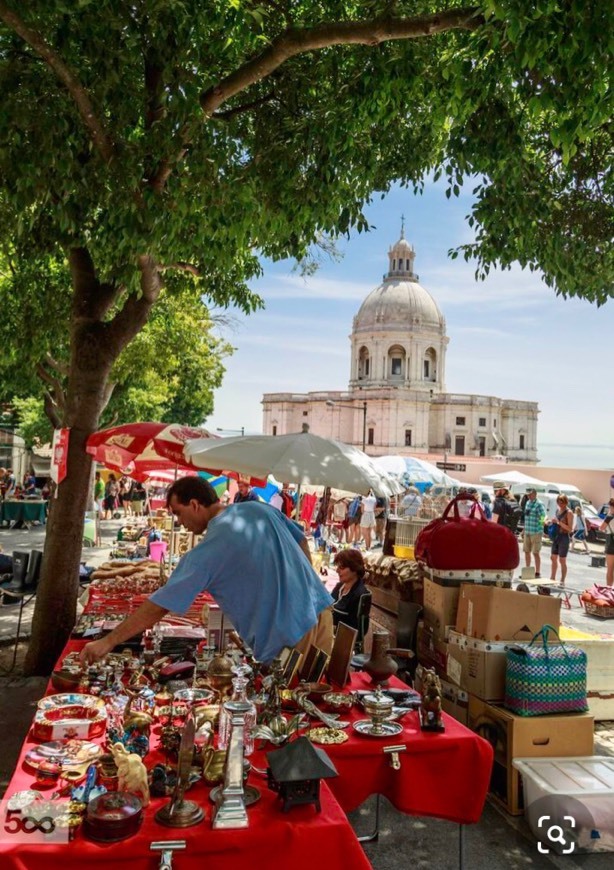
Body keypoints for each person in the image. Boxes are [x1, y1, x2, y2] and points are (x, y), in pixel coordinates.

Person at [80, 477, 333, 667]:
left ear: (194, 504)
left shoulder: (209, 548)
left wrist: (108, 642)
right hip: (320, 612)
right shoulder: (260, 510)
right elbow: (300, 539)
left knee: (294, 713)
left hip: (290, 636)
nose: (180, 523)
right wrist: (305, 585)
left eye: (178, 513)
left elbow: (158, 605)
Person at [331, 548, 369, 633]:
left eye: (341, 567)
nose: (337, 570)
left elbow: (358, 630)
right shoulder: (339, 587)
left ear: (354, 568)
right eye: (337, 566)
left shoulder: (360, 595)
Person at [549, 494, 574, 585]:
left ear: (566, 502)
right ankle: (552, 577)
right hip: (556, 536)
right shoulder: (557, 510)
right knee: (553, 557)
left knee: (562, 560)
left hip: (564, 537)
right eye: (558, 502)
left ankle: (562, 580)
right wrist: (551, 522)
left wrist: (559, 523)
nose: (560, 504)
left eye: (562, 502)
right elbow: (556, 522)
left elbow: (570, 529)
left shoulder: (569, 512)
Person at [522, 488, 546, 577]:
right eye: (527, 495)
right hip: (528, 530)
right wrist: (524, 530)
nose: (528, 496)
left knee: (536, 552)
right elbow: (526, 517)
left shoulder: (539, 504)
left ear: (535, 494)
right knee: (526, 551)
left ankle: (537, 572)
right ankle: (527, 571)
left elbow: (543, 516)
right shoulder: (528, 503)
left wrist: (541, 526)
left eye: (530, 494)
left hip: (536, 531)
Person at [599, 499, 614, 587]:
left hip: (611, 542)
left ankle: (609, 588)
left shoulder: (609, 517)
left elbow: (601, 528)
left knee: (610, 568)